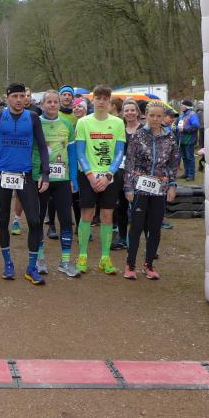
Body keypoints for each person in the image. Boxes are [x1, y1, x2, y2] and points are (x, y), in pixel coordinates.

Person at [0, 82, 49, 285]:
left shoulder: (33, 117)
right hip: (3, 173)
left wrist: (45, 174)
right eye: (15, 96)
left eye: (22, 96)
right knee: (2, 221)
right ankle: (8, 263)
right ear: (8, 97)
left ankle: (31, 267)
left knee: (35, 221)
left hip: (25, 174)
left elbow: (42, 147)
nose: (19, 100)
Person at [123, 101, 180, 280]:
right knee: (137, 226)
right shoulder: (138, 135)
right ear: (145, 115)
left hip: (160, 188)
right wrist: (128, 187)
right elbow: (130, 162)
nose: (155, 119)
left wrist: (172, 185)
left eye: (159, 116)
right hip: (139, 188)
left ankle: (148, 265)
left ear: (164, 117)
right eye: (152, 115)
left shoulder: (170, 137)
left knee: (155, 227)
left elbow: (173, 162)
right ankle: (130, 264)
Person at [74, 85, 126, 275]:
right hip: (87, 175)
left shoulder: (118, 123)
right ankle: (82, 256)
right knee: (86, 214)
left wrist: (108, 175)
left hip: (109, 176)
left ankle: (105, 258)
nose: (102, 102)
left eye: (105, 99)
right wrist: (90, 176)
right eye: (98, 98)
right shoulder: (83, 122)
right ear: (93, 100)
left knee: (106, 216)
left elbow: (119, 153)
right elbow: (80, 152)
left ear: (110, 101)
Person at [34, 90, 80, 278]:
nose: (52, 104)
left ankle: (65, 261)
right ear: (42, 104)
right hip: (40, 179)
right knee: (37, 219)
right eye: (49, 102)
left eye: (55, 102)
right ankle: (39, 259)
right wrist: (36, 173)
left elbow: (72, 153)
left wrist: (73, 179)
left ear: (59, 104)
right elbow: (33, 151)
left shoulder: (67, 124)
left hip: (62, 180)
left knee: (66, 219)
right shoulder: (35, 122)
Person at [112, 99, 142, 250]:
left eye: (132, 110)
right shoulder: (119, 130)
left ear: (137, 112)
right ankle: (122, 238)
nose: (130, 113)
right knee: (121, 207)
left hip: (139, 174)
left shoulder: (144, 130)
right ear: (123, 113)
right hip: (121, 173)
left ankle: (136, 239)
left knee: (138, 208)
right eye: (127, 110)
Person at [177, 100, 200, 181]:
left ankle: (191, 175)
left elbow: (196, 126)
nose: (181, 106)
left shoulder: (192, 114)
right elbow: (179, 125)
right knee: (184, 157)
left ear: (187, 107)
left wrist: (185, 129)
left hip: (189, 140)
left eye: (182, 105)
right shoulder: (181, 114)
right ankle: (186, 173)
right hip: (182, 139)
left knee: (190, 157)